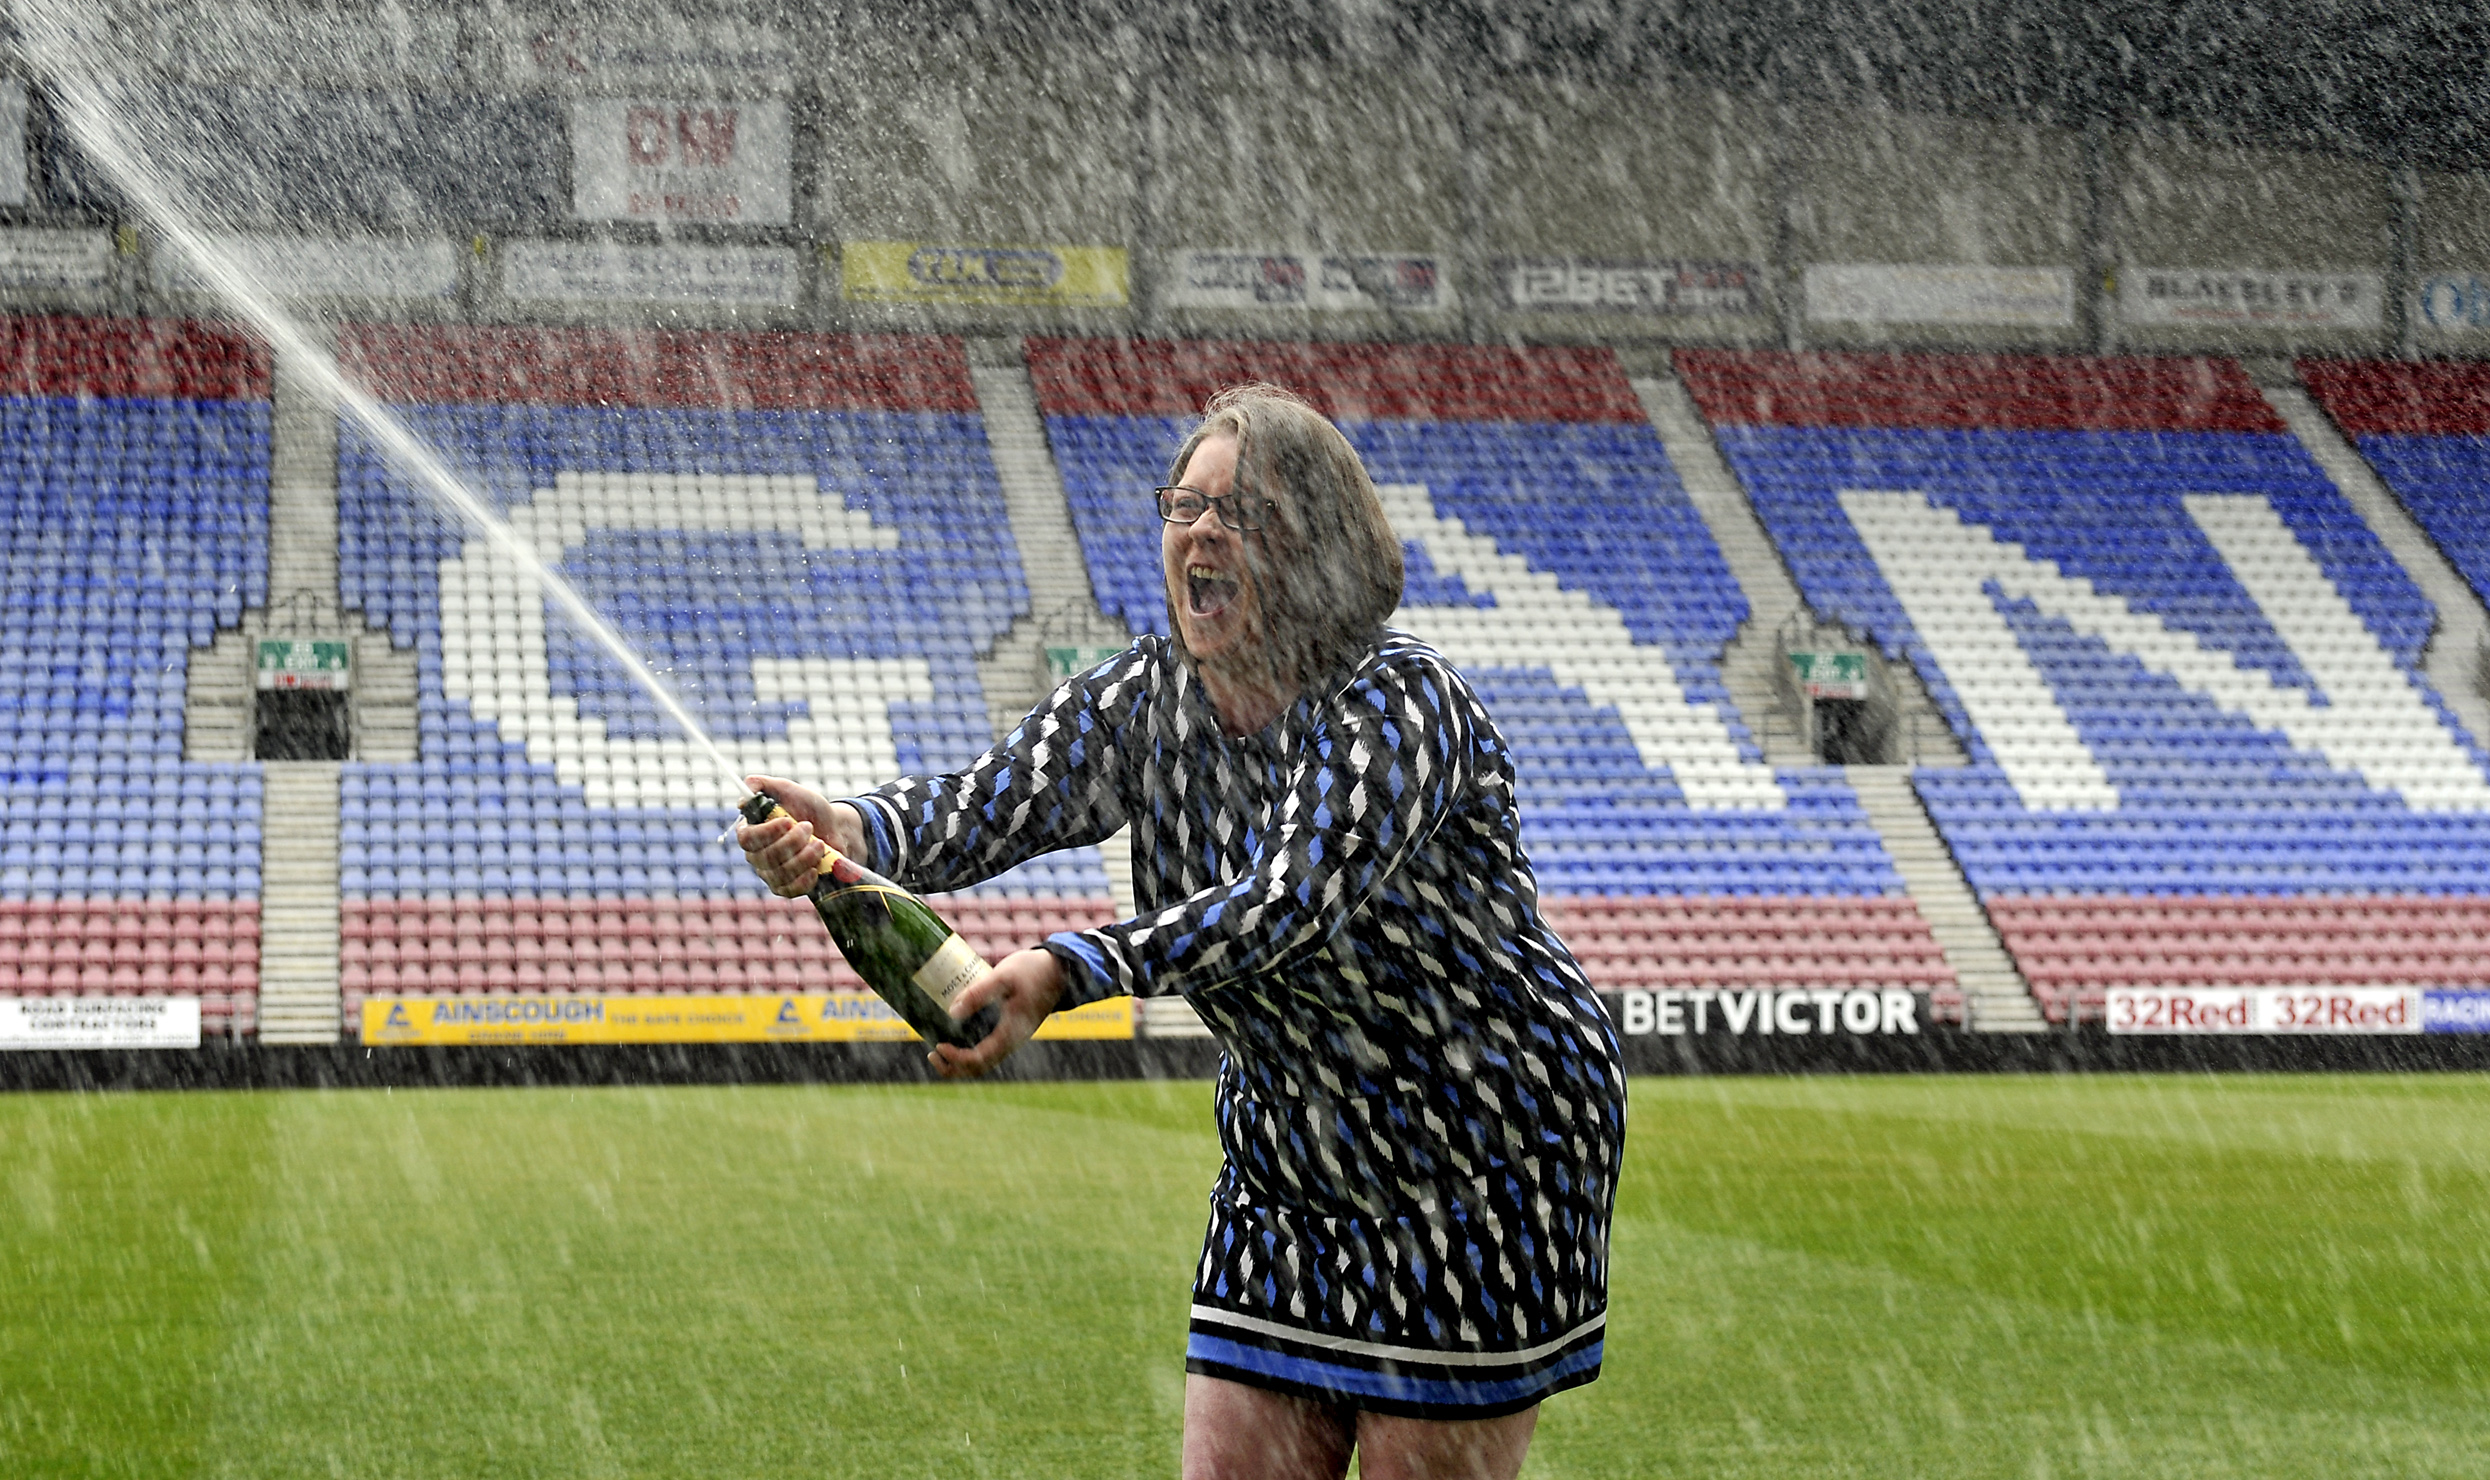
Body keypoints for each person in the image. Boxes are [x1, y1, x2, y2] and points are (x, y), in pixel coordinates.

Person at [740, 384, 1626, 1480]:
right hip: (1291, 1155)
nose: (1200, 533)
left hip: (1478, 1152)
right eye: (1184, 506)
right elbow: (989, 802)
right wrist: (851, 827)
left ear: (1319, 546)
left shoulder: (1401, 705)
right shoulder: (1144, 697)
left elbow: (1288, 902)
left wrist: (1071, 966)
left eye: (1240, 512)